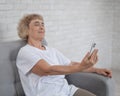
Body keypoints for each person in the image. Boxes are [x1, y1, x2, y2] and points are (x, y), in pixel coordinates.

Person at [16, 14, 112, 96]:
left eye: (43, 24)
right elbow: (47, 70)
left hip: (67, 91)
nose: (42, 27)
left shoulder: (52, 50)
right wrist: (80, 67)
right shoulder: (25, 52)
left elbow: (70, 64)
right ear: (27, 30)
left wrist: (96, 70)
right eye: (37, 24)